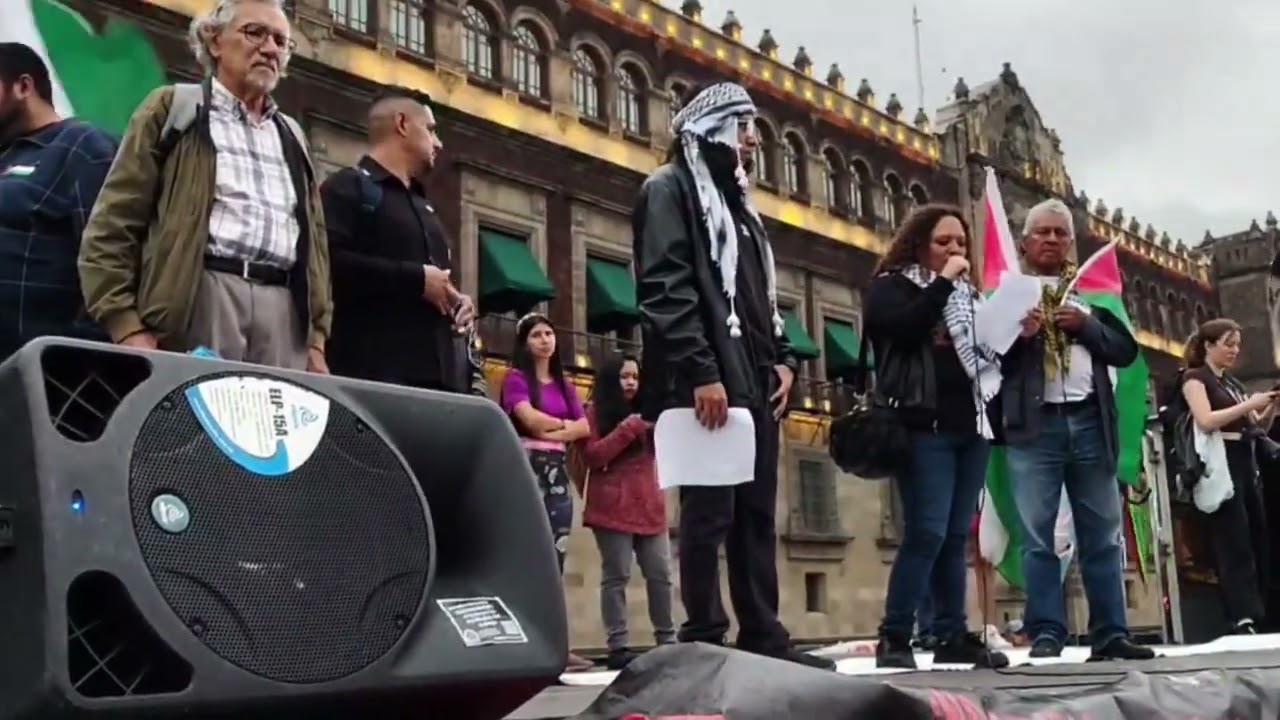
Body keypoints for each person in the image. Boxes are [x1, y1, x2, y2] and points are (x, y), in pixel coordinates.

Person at [631, 80, 832, 670]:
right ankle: (703, 635)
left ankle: (764, 635)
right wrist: (701, 371)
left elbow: (761, 299)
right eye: (741, 125)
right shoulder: (667, 191)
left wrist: (787, 362)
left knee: (754, 514)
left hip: (753, 379)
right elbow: (665, 288)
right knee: (708, 512)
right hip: (708, 379)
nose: (751, 139)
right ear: (710, 125)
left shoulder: (740, 211)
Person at [79, 0, 331, 371]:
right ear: (214, 42)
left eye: (281, 41)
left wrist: (316, 339)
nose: (270, 48)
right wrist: (126, 327)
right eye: (255, 33)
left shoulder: (292, 135)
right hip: (201, 299)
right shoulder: (172, 109)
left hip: (284, 314)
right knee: (196, 426)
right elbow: (114, 224)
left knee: (270, 428)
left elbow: (316, 244)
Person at [999, 198, 1154, 660]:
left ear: (1070, 243)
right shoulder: (1006, 293)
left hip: (1090, 420)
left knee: (1102, 534)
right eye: (1041, 232)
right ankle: (1047, 630)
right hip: (1034, 426)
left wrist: (1087, 327)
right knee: (1038, 535)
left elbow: (1125, 352)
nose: (1050, 239)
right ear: (1024, 242)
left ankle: (1110, 634)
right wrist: (1017, 335)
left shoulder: (1096, 296)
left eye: (1059, 233)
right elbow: (985, 359)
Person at [863, 204, 1009, 670]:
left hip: (972, 426)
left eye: (960, 243)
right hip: (923, 426)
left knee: (952, 537)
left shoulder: (973, 299)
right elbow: (900, 330)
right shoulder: (891, 287)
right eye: (943, 241)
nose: (954, 249)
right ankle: (895, 635)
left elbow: (989, 356)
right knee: (924, 532)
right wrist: (945, 280)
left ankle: (951, 634)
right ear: (919, 244)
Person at [320, 89, 482, 394]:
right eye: (431, 130)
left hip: (442, 383)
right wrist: (416, 279)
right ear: (402, 124)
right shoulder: (348, 188)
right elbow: (327, 263)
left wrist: (457, 298)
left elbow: (435, 283)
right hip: (375, 378)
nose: (439, 143)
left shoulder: (425, 205)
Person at [0, 43, 116, 359]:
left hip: (34, 378)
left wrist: (69, 363)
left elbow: (112, 261)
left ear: (23, 86)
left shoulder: (80, 145)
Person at [499, 312, 592, 671]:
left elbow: (584, 427)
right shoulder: (515, 379)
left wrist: (553, 430)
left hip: (557, 472)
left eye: (549, 333)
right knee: (526, 554)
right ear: (525, 342)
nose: (545, 340)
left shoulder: (565, 383)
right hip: (526, 468)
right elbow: (528, 420)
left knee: (557, 556)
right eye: (537, 334)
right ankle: (522, 643)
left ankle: (556, 646)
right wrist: (560, 427)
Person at [1179, 318, 1278, 635]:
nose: (1235, 351)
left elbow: (1255, 426)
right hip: (1222, 460)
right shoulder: (1195, 379)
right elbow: (1206, 420)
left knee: (1255, 535)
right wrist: (1250, 403)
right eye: (1228, 344)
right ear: (1209, 346)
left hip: (1246, 458)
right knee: (1232, 538)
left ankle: (1259, 607)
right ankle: (1240, 613)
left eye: (1237, 344)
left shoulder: (1232, 385)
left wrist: (1269, 406)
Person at [578, 355, 675, 670]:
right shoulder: (594, 413)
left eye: (635, 376)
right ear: (610, 380)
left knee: (660, 574)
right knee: (616, 575)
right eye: (624, 377)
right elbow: (592, 456)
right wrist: (627, 429)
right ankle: (618, 646)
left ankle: (668, 641)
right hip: (611, 507)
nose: (631, 382)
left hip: (650, 506)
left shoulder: (650, 414)